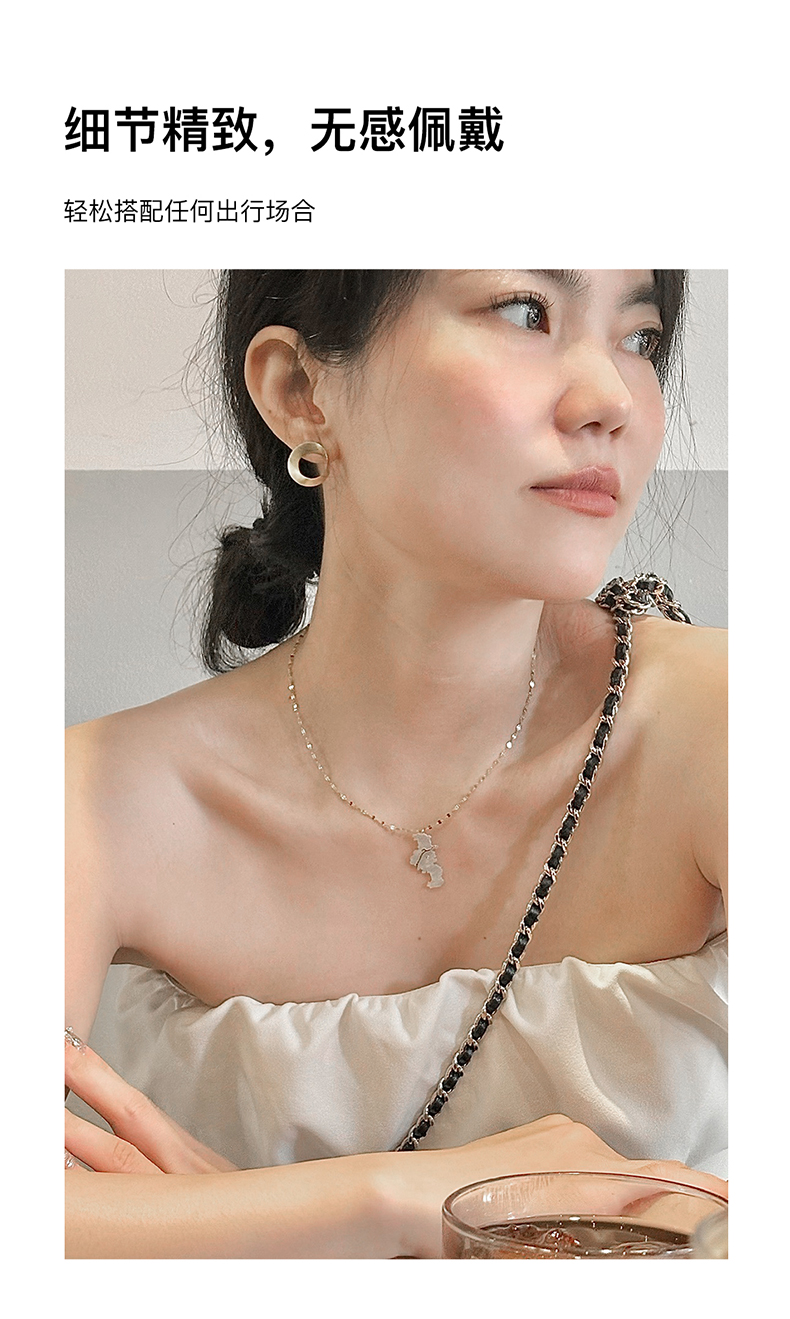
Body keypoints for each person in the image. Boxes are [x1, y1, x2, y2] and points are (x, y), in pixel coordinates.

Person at [65, 269, 727, 1258]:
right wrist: (388, 1198)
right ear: (300, 389)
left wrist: (228, 1219)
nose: (612, 400)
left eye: (641, 336)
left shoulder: (724, 724)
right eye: (526, 311)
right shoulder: (89, 799)